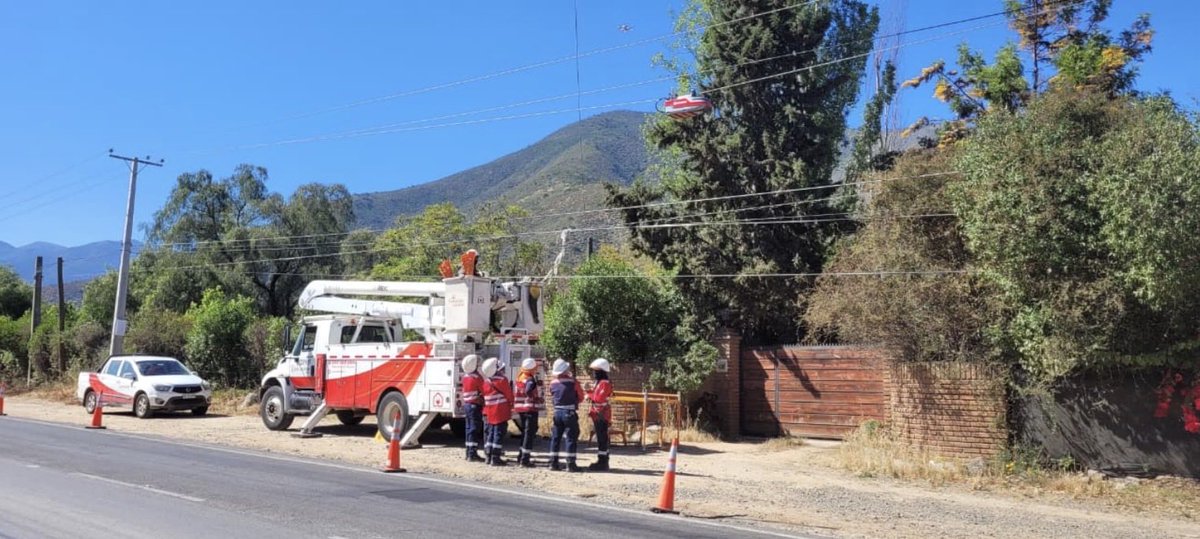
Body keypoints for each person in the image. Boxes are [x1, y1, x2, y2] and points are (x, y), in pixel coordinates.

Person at [548, 358, 584, 472]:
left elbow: (552, 395)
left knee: (556, 438)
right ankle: (570, 464)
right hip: (569, 413)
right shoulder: (573, 382)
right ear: (565, 370)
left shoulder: (553, 383)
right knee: (571, 438)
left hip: (557, 412)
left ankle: (553, 463)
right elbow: (581, 397)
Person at [481, 357, 514, 466]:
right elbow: (509, 395)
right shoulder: (502, 380)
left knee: (490, 434)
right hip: (500, 411)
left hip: (490, 412)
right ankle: (495, 458)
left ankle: (488, 456)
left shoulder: (486, 382)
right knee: (498, 434)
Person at [512, 357, 544, 468]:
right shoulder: (530, 379)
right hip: (529, 409)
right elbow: (528, 390)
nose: (536, 370)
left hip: (520, 409)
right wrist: (535, 398)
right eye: (535, 368)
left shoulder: (520, 377)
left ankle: (520, 457)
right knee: (529, 434)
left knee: (525, 433)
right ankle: (525, 460)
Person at [585, 358, 614, 471]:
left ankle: (602, 462)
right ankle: (602, 460)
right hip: (598, 414)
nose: (594, 373)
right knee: (601, 437)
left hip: (601, 414)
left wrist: (589, 395)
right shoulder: (599, 383)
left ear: (602, 371)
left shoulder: (604, 383)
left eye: (596, 371)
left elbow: (599, 398)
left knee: (602, 438)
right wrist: (589, 391)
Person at [460, 354, 485, 462]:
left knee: (469, 429)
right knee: (474, 429)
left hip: (467, 405)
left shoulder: (466, 376)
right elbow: (484, 389)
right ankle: (472, 453)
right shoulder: (476, 377)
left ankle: (468, 451)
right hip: (475, 405)